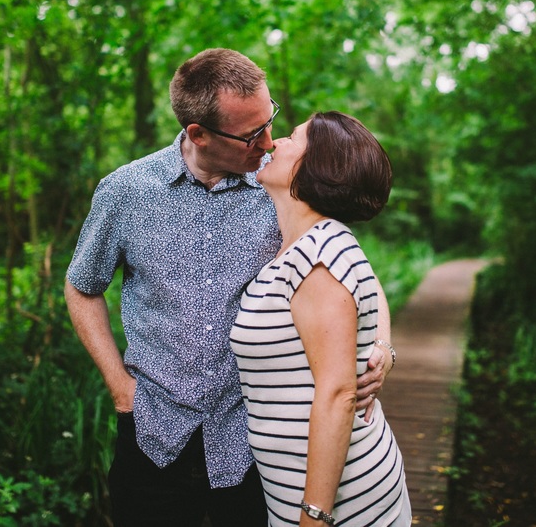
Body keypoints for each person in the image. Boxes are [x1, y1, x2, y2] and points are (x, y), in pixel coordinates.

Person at [64, 49, 396, 527]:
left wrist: (380, 344)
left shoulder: (284, 186)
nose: (267, 142)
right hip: (151, 431)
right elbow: (82, 287)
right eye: (250, 134)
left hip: (253, 447)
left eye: (270, 121)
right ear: (198, 133)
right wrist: (121, 389)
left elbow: (346, 269)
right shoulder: (126, 192)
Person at [231, 111, 411, 527]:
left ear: (316, 167)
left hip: (338, 501)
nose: (274, 143)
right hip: (294, 490)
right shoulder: (306, 246)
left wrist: (314, 516)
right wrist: (382, 343)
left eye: (293, 138)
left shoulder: (318, 257)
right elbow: (369, 290)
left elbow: (337, 395)